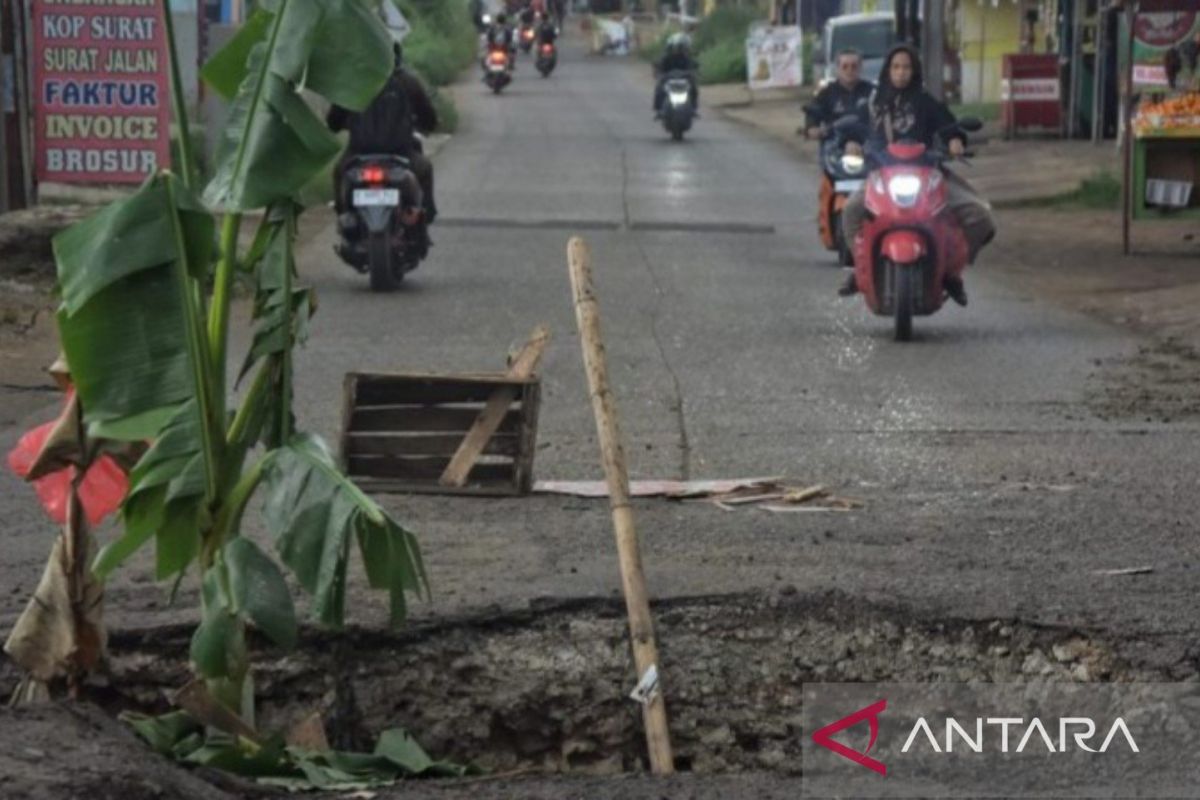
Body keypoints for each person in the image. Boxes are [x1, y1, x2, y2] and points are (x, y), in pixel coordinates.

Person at [838, 44, 996, 306]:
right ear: (888, 70)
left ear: (915, 71)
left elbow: (949, 126)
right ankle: (860, 269)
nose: (901, 73)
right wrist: (851, 144)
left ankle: (951, 271)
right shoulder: (874, 103)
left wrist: (955, 140)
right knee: (851, 211)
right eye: (896, 67)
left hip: (928, 177)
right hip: (882, 178)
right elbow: (854, 131)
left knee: (981, 215)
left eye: (906, 67)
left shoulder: (926, 102)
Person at [327, 44, 439, 248]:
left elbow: (333, 121)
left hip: (358, 154)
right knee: (425, 169)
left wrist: (343, 123)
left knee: (338, 173)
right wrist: (425, 125)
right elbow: (429, 118)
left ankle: (346, 218)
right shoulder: (408, 82)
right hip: (401, 154)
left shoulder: (354, 82)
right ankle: (422, 217)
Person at [804, 49, 873, 139]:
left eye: (854, 66)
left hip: (864, 142)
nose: (849, 70)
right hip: (834, 142)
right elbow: (814, 111)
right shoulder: (826, 92)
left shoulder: (872, 91)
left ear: (860, 68)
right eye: (845, 66)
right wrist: (811, 127)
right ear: (837, 68)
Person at [654, 33, 699, 117]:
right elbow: (659, 66)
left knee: (693, 88)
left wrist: (694, 73)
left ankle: (693, 108)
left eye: (681, 47)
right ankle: (659, 109)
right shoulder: (666, 57)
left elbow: (693, 67)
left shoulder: (687, 58)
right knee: (659, 88)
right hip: (668, 79)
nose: (678, 49)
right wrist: (659, 73)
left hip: (684, 80)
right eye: (677, 47)